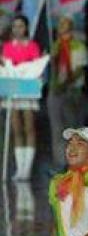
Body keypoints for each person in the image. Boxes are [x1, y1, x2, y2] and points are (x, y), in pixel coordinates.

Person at [2, 15, 43, 180]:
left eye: (20, 26)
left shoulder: (33, 46)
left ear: (26, 28)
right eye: (14, 26)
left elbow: (36, 67)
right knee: (16, 129)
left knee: (29, 127)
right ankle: (20, 169)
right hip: (13, 90)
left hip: (27, 90)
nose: (17, 29)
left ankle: (27, 168)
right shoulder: (6, 47)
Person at [47, 16, 88, 166]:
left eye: (65, 23)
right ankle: (60, 163)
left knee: (73, 128)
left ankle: (77, 162)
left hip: (72, 90)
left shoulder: (78, 45)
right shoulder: (54, 46)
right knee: (57, 128)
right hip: (55, 90)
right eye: (60, 24)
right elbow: (51, 68)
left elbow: (79, 69)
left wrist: (65, 84)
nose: (62, 26)